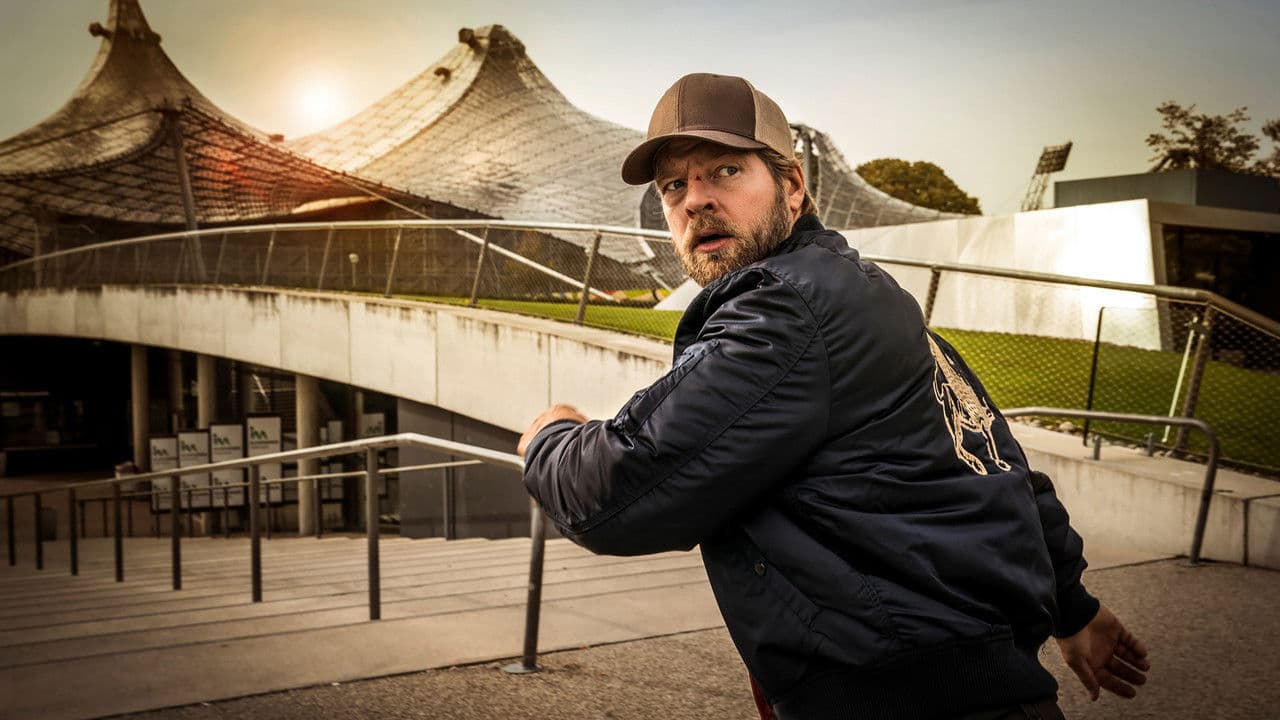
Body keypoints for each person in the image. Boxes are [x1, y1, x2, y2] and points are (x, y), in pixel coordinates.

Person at [517, 73, 1149, 720]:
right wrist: (1075, 609)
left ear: (792, 187)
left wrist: (550, 436)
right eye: (673, 185)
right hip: (976, 690)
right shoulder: (859, 293)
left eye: (725, 170)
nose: (695, 199)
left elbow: (623, 490)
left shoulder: (788, 309)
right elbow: (994, 456)